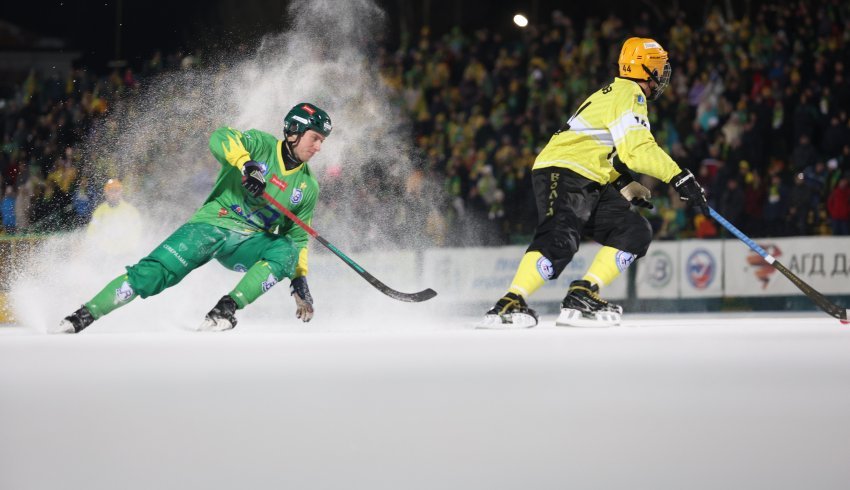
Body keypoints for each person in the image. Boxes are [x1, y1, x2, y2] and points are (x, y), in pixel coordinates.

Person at [480, 37, 708, 328]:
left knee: (634, 230)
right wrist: (679, 177)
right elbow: (637, 150)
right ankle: (509, 303)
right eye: (660, 68)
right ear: (646, 69)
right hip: (566, 170)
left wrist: (625, 184)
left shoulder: (613, 93)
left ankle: (583, 293)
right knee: (561, 238)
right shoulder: (630, 93)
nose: (664, 75)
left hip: (587, 175)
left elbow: (600, 148)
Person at [53, 102, 332, 333]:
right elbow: (220, 137)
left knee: (287, 251)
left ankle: (226, 309)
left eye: (322, 141)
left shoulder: (308, 186)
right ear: (294, 131)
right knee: (153, 274)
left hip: (248, 244)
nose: (318, 147)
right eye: (315, 138)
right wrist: (246, 165)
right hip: (213, 223)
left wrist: (299, 280)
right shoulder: (260, 144)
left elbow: (297, 235)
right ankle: (84, 315)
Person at [86, 178, 143, 255]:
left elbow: (137, 231)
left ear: (120, 192)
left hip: (126, 253)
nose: (113, 194)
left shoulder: (130, 210)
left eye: (116, 191)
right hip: (104, 254)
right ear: (106, 193)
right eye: (110, 191)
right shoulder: (99, 211)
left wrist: (130, 247)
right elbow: (91, 232)